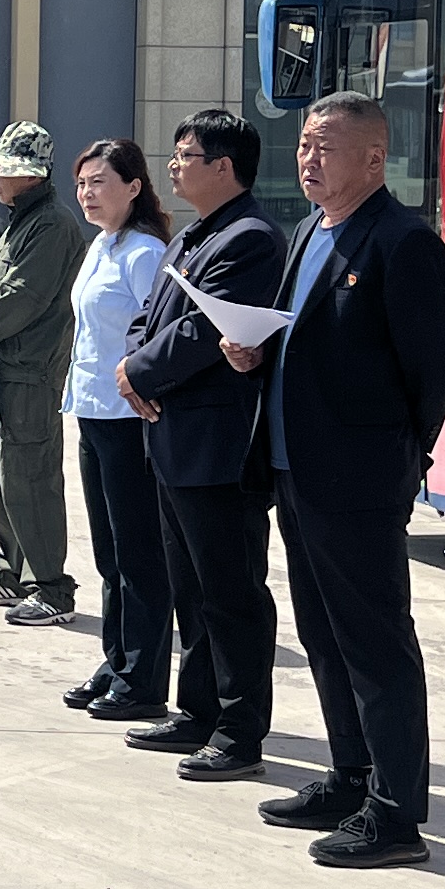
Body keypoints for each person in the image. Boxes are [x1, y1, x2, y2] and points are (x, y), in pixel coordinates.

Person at [238, 92, 445, 870]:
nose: (308, 159)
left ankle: (396, 813)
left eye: (325, 147)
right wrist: (250, 352)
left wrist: (404, 455)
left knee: (375, 643)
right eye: (303, 145)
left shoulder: (403, 242)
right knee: (324, 634)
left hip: (360, 478)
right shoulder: (308, 231)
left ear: (373, 158)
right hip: (294, 468)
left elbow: (437, 366)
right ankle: (350, 775)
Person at [113, 109, 283, 781]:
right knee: (190, 587)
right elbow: (148, 318)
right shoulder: (191, 235)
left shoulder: (251, 239)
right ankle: (199, 710)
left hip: (218, 446)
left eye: (186, 156)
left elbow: (203, 335)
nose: (174, 166)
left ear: (224, 166)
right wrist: (132, 365)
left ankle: (239, 731)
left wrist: (140, 372)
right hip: (172, 437)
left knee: (230, 593)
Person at [55, 139, 173, 720]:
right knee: (109, 553)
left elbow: (158, 332)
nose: (87, 194)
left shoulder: (146, 252)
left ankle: (142, 680)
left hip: (129, 417)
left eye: (99, 182)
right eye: (81, 183)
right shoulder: (100, 245)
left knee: (138, 554)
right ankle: (116, 661)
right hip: (92, 412)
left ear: (133, 187)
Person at [0, 120, 87, 623]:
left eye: (2, 171)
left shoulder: (52, 225)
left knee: (30, 479)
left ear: (31, 175)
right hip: (2, 371)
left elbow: (22, 297)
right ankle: (12, 575)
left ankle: (51, 587)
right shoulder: (22, 221)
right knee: (0, 478)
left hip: (30, 372)